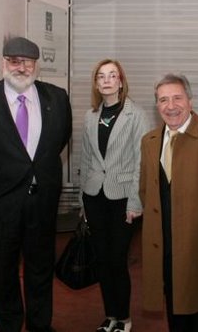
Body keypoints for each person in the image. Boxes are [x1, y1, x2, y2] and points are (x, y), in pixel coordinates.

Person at [0, 36, 72, 332]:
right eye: (14, 61)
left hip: (42, 202)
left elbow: (58, 140)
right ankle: (10, 326)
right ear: (4, 63)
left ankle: (40, 325)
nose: (21, 68)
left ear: (36, 65)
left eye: (28, 62)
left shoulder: (57, 98)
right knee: (2, 272)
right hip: (0, 205)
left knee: (41, 268)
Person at [139, 73, 198, 332]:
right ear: (157, 105)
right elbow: (145, 189)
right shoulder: (149, 142)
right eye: (163, 100)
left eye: (177, 98)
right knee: (174, 310)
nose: (170, 106)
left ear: (190, 101)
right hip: (164, 244)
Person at [79, 59, 150, 332]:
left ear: (121, 81)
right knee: (102, 260)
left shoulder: (136, 115)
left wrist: (135, 201)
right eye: (101, 76)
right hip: (94, 196)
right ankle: (110, 316)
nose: (107, 80)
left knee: (117, 260)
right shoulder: (90, 116)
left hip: (123, 198)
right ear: (96, 83)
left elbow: (141, 162)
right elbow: (86, 159)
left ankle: (124, 318)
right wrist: (82, 201)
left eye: (112, 75)